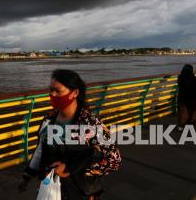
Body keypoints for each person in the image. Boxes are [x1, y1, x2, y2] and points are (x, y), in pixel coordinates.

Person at [18, 69, 122, 200]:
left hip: (78, 191)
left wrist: (71, 168)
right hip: (49, 188)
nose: (52, 94)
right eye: (51, 90)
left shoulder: (90, 124)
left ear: (75, 93)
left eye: (58, 91)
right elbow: (40, 150)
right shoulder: (48, 120)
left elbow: (114, 160)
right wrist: (27, 176)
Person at [177, 64, 196, 131]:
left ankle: (181, 126)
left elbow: (180, 86)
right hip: (193, 97)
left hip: (182, 97)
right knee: (194, 110)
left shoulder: (180, 78)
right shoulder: (195, 79)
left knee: (182, 111)